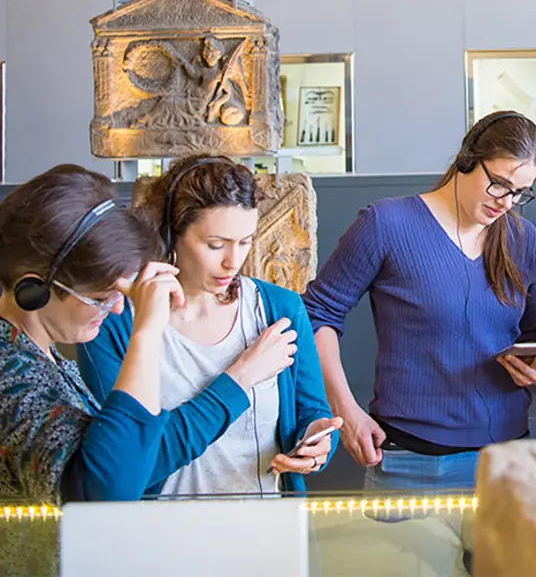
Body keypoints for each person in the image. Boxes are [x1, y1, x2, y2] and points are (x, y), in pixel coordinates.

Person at [302, 110, 536, 493]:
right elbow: (317, 314)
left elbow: (529, 333)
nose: (507, 202)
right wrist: (344, 410)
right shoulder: (386, 224)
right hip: (410, 462)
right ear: (467, 160)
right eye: (499, 184)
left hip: (508, 460)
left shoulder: (524, 239)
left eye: (520, 192)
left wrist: (535, 366)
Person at [78, 156, 340, 497]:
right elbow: (126, 467)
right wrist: (240, 377)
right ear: (171, 233)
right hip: (155, 537)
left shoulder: (281, 310)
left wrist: (318, 444)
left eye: (245, 241)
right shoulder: (114, 323)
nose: (234, 261)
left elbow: (312, 412)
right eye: (215, 245)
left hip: (268, 533)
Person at [0, 164, 184, 506]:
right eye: (100, 298)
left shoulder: (40, 354)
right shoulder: (10, 375)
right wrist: (145, 334)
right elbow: (103, 496)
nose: (116, 310)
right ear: (32, 290)